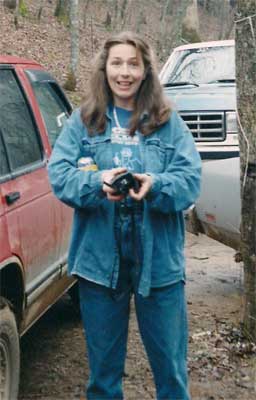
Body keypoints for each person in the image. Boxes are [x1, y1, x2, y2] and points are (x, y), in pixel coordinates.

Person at [48, 31, 201, 400]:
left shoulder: (167, 120)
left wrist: (157, 184)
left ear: (146, 70)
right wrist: (96, 181)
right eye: (117, 63)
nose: (125, 72)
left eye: (134, 63)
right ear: (105, 68)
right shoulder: (85, 120)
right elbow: (59, 173)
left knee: (172, 378)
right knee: (103, 380)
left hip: (159, 262)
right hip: (99, 261)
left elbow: (190, 179)